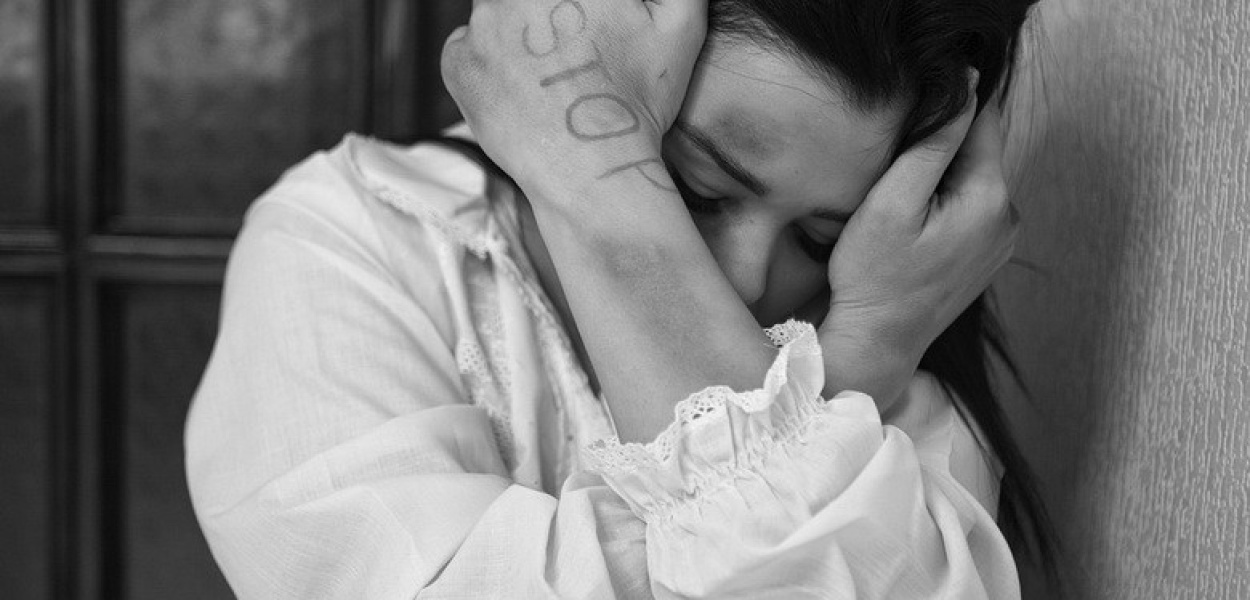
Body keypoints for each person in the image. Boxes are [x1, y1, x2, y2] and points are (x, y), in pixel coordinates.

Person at [185, 0, 1055, 597]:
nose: (749, 282)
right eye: (699, 187)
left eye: (823, 239)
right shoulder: (354, 238)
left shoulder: (890, 305)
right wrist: (594, 186)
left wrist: (867, 341)